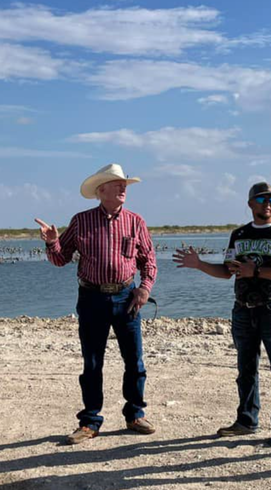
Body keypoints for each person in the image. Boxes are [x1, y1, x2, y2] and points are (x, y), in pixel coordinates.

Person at [34, 163, 157, 444]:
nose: (123, 188)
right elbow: (59, 259)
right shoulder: (80, 221)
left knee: (134, 360)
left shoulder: (136, 221)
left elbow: (148, 261)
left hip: (127, 298)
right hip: (91, 298)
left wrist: (144, 289)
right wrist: (52, 243)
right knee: (92, 363)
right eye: (117, 184)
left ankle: (135, 414)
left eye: (124, 184)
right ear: (101, 191)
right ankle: (90, 421)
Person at [173, 182, 271, 446]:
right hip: (243, 309)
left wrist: (255, 271)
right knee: (246, 369)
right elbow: (227, 271)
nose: (268, 203)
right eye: (263, 199)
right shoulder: (239, 235)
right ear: (251, 203)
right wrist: (199, 265)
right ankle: (246, 420)